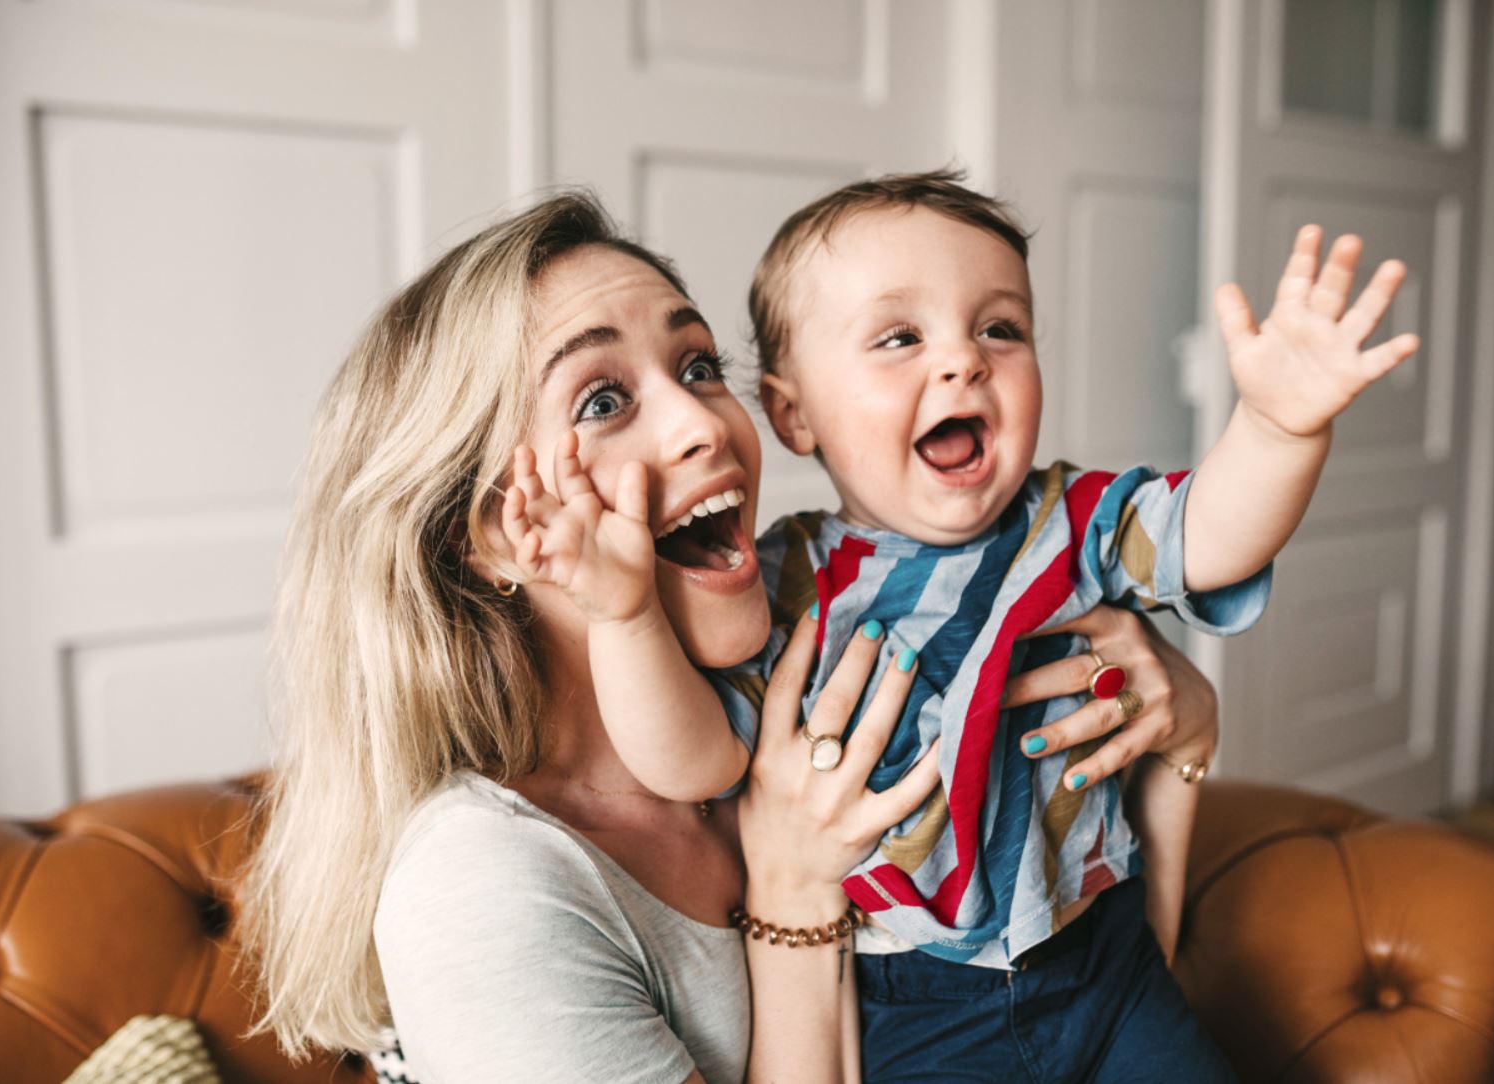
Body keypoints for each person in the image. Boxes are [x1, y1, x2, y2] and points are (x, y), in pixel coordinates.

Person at [235, 190, 1227, 1084]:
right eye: (603, 398)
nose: (708, 423)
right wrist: (792, 891)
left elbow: (1088, 987)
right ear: (498, 533)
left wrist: (1180, 735)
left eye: (698, 365)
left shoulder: (811, 694)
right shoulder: (481, 892)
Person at [502, 172, 1417, 1079]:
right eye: (899, 337)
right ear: (792, 413)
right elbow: (691, 762)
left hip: (1099, 952)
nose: (963, 360)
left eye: (1000, 328)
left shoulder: (1074, 519)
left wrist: (1277, 428)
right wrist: (621, 614)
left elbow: (1209, 537)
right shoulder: (783, 584)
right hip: (914, 1000)